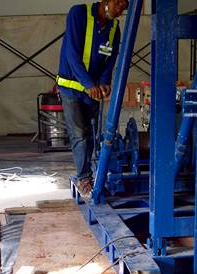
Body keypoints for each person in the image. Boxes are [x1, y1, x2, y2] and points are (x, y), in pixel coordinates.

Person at [56, 0, 128, 197]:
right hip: (71, 88)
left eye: (123, 7)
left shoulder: (114, 29)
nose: (119, 9)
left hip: (93, 91)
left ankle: (98, 173)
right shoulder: (79, 14)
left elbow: (110, 60)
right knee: (79, 133)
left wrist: (104, 82)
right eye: (117, 3)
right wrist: (88, 84)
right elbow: (71, 54)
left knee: (94, 134)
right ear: (105, 0)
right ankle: (84, 178)